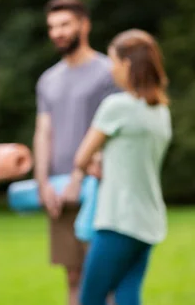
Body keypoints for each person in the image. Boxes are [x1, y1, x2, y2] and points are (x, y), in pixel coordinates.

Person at [73, 29, 171, 305]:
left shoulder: (117, 106)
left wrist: (94, 162)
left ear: (128, 64)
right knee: (128, 295)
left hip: (119, 219)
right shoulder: (161, 111)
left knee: (91, 297)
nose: (111, 70)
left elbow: (81, 158)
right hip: (148, 221)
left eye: (114, 62)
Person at [33, 0, 118, 305]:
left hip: (101, 188)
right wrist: (42, 182)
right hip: (59, 192)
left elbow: (114, 131)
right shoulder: (48, 80)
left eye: (65, 24)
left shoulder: (109, 72)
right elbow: (43, 132)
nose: (57, 32)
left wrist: (80, 176)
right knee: (72, 276)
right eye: (52, 26)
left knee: (103, 276)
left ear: (85, 24)